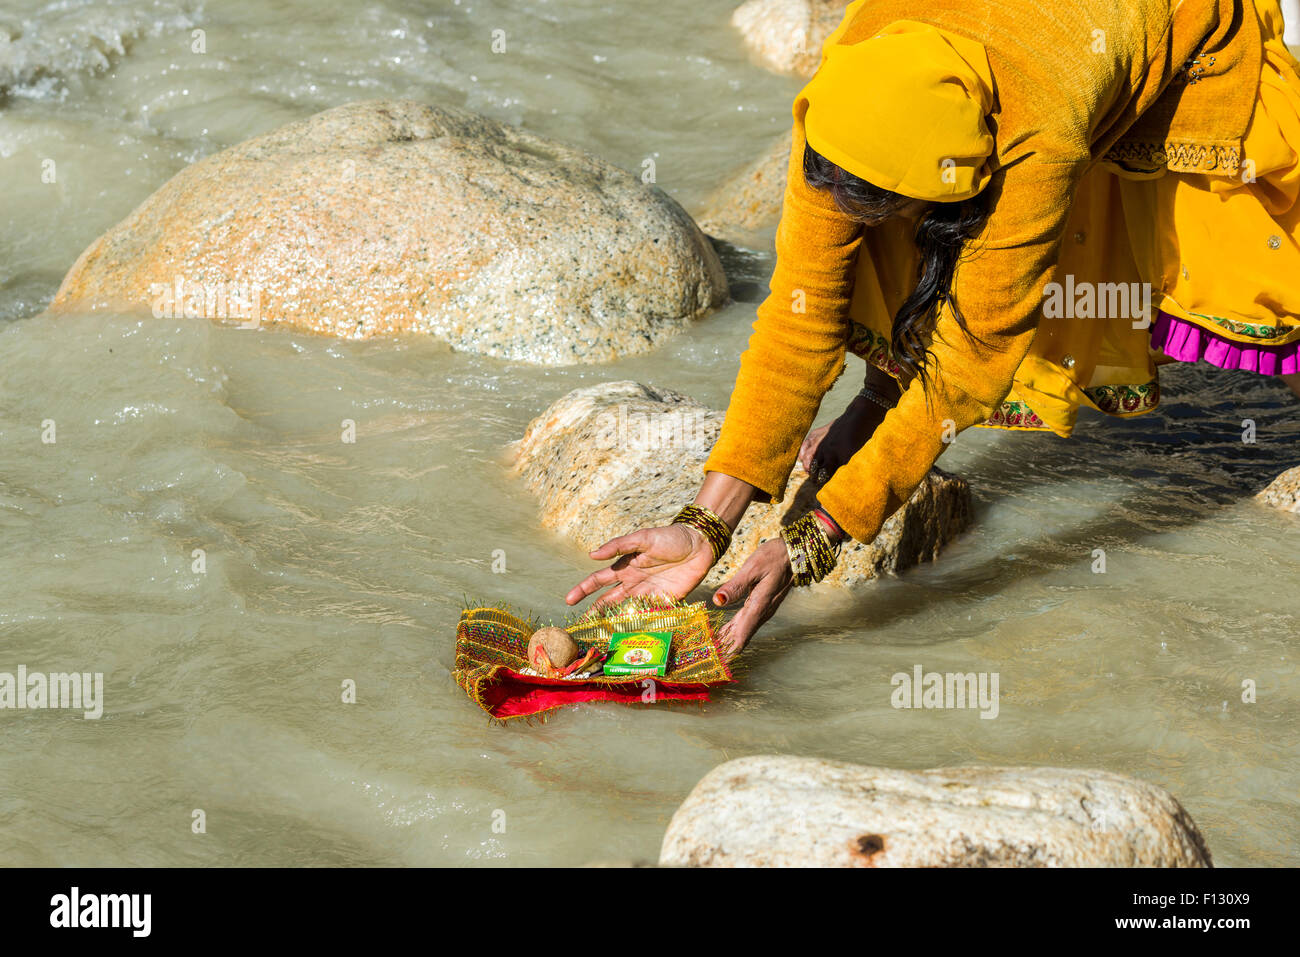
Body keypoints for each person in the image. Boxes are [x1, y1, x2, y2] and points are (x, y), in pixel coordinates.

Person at [567, 0, 1300, 655]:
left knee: (1049, 270)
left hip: (1133, 32)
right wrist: (707, 521)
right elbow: (801, 316)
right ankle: (879, 393)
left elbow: (972, 363)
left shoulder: (1038, 141)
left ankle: (885, 387)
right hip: (999, 63)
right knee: (865, 250)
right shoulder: (848, 88)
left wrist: (817, 536)